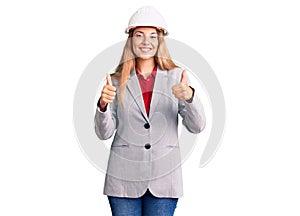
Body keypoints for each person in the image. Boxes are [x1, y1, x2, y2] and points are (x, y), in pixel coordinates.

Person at [94, 6, 206, 216]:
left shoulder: (176, 76)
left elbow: (197, 126)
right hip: (123, 177)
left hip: (164, 177)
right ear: (131, 39)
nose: (146, 42)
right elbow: (104, 133)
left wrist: (190, 97)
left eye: (153, 36)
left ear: (160, 40)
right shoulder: (117, 80)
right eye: (140, 35)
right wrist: (103, 106)